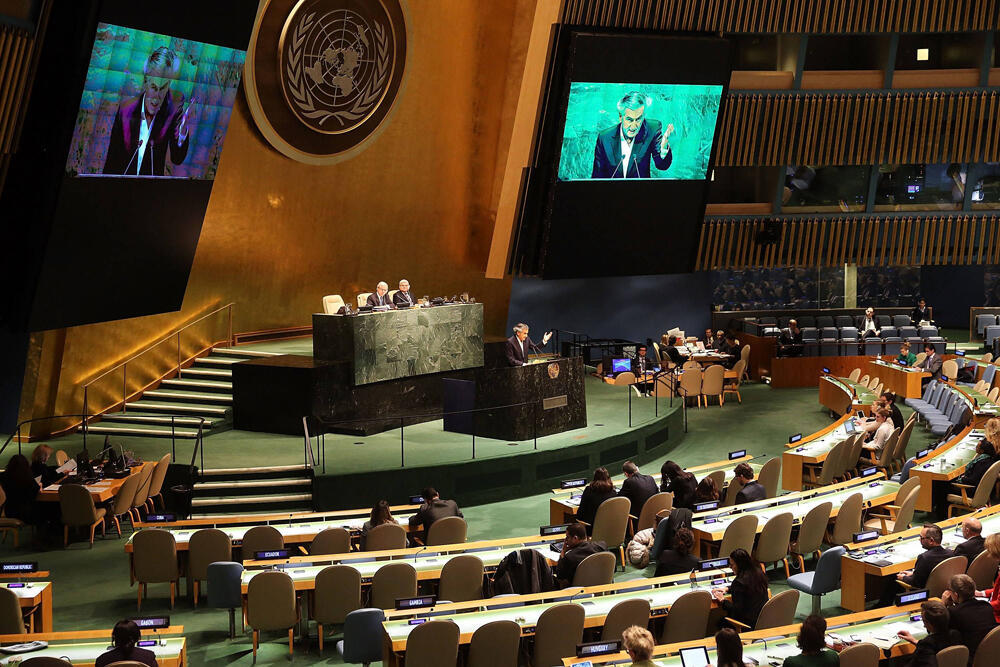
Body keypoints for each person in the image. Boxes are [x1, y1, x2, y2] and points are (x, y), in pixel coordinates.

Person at [103, 46, 190, 176]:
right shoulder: (126, 110)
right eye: (154, 87)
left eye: (163, 88)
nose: (157, 96)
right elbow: (111, 164)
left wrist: (183, 132)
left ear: (169, 83)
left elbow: (177, 158)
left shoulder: (174, 105)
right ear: (146, 81)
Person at [592, 91, 673, 179]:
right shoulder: (604, 138)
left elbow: (662, 165)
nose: (634, 126)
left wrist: (663, 148)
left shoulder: (652, 129)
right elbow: (597, 176)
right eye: (629, 120)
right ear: (620, 117)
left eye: (638, 119)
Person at [942, 573, 997, 661]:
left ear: (955, 594)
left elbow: (939, 632)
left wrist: (943, 605)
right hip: (994, 655)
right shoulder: (986, 606)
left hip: (971, 659)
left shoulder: (954, 612)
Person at [711, 548, 769, 629]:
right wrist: (727, 589)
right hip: (763, 619)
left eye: (732, 565)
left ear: (740, 565)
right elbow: (748, 587)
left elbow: (736, 612)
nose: (730, 567)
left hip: (746, 624)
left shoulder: (738, 582)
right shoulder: (759, 573)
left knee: (720, 623)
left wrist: (723, 601)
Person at [896, 600, 961, 667]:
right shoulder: (955, 635)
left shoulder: (927, 644)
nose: (924, 625)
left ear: (930, 624)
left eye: (924, 621)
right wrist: (914, 641)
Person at [554, 522, 606, 587]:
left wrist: (563, 553)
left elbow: (560, 576)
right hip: (601, 585)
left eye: (567, 537)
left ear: (575, 538)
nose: (566, 541)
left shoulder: (570, 557)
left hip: (578, 591)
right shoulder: (602, 547)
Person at [0, 454, 39, 524]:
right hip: (24, 513)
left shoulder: (2, 476)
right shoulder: (28, 478)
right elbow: (33, 495)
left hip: (7, 510)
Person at [975, 533, 1000, 622]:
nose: (989, 555)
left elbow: (998, 605)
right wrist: (981, 593)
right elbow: (997, 590)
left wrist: (980, 606)